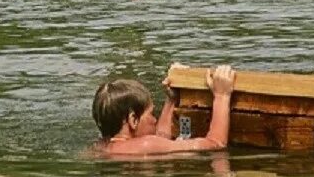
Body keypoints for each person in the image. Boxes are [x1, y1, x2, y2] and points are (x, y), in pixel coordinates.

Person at [93, 65, 236, 156]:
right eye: (151, 114)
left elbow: (160, 138)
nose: (155, 120)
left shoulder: (100, 148)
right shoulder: (146, 145)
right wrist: (222, 96)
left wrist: (172, 100)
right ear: (133, 120)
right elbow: (216, 144)